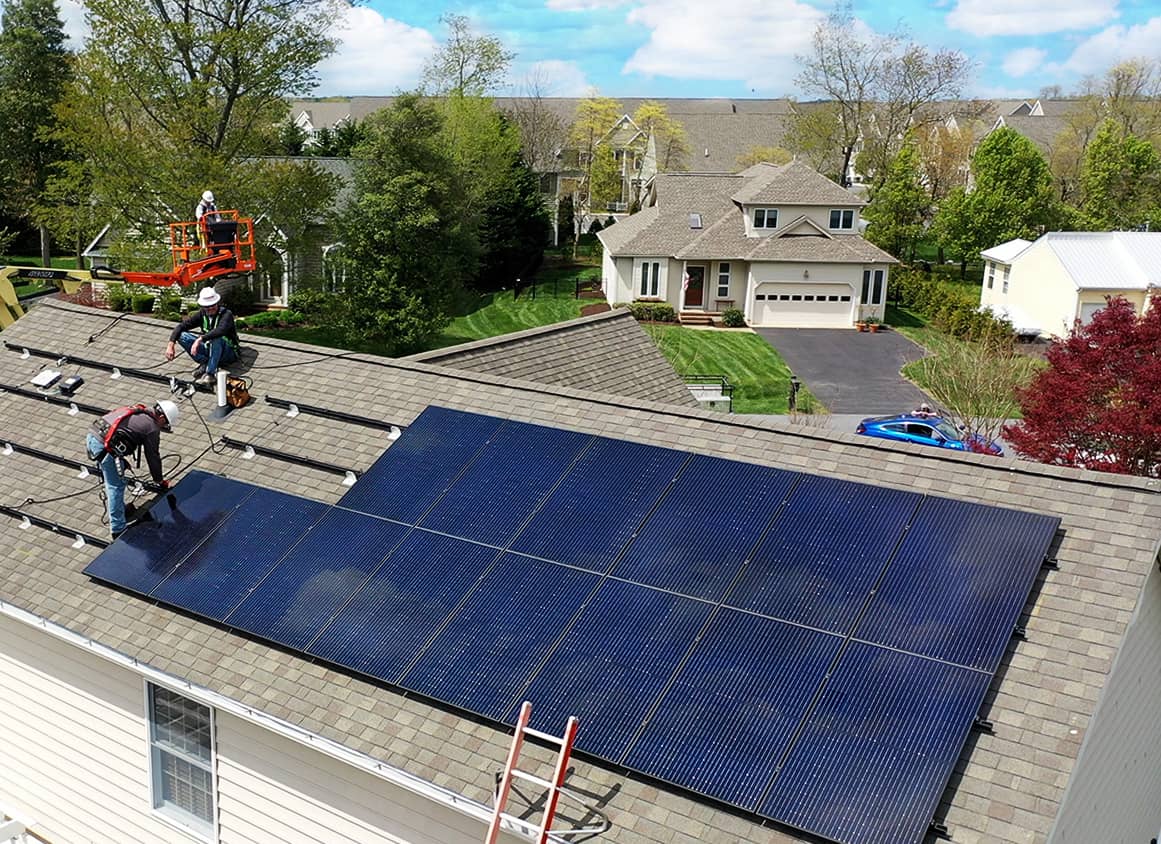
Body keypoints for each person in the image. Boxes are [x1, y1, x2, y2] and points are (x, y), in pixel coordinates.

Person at [86, 400, 178, 538]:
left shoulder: (139, 410)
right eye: (165, 424)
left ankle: (120, 509)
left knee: (116, 476)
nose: (163, 427)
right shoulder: (151, 427)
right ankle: (118, 529)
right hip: (104, 447)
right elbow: (152, 456)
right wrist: (159, 480)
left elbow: (118, 430)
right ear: (162, 417)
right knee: (115, 486)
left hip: (94, 437)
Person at [165, 286, 239, 385]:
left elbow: (220, 331)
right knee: (182, 336)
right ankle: (206, 363)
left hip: (228, 353)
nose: (210, 308)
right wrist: (171, 345)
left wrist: (200, 339)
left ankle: (210, 374)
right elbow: (181, 326)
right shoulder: (202, 314)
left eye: (213, 305)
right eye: (207, 306)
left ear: (217, 303)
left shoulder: (226, 314)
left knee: (215, 338)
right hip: (210, 350)